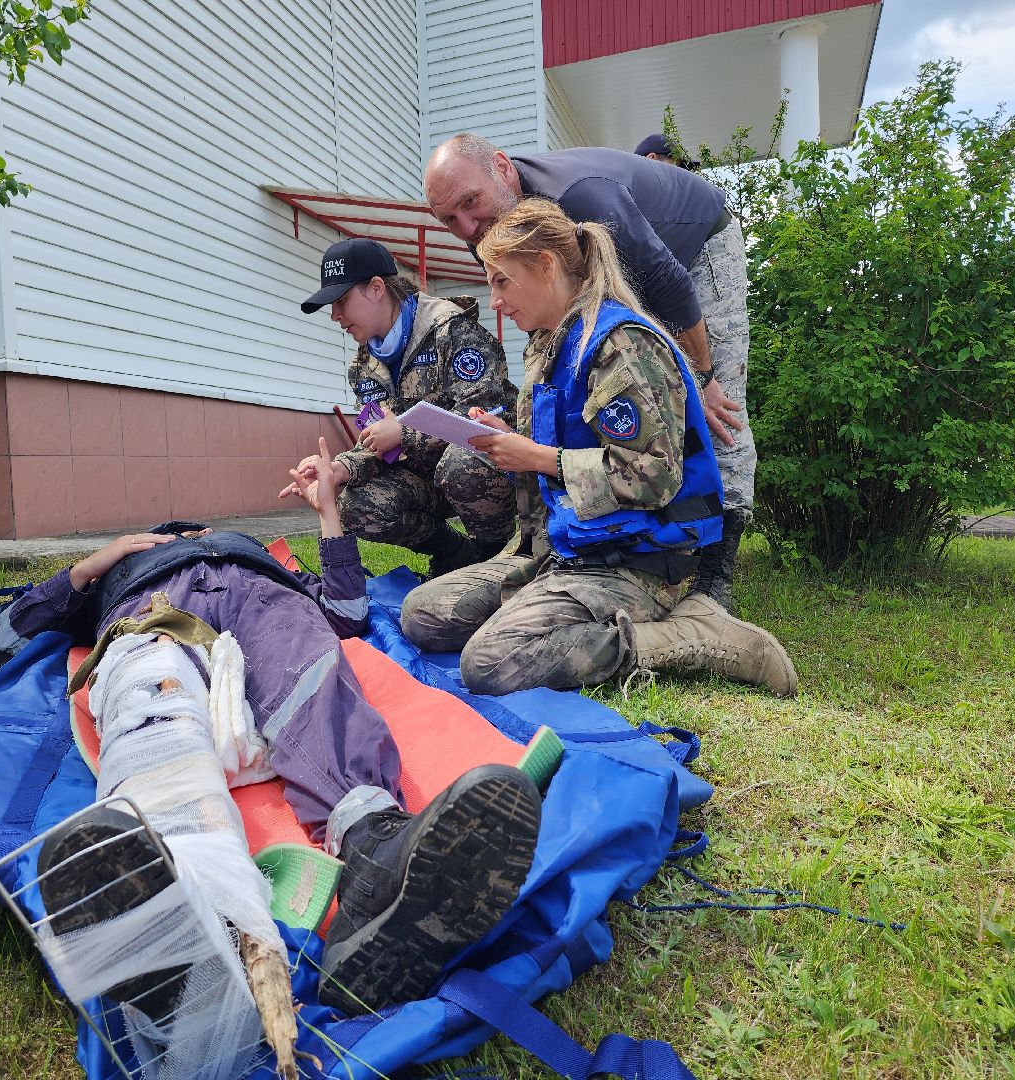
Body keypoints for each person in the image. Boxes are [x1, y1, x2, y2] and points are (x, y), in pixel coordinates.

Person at [0, 437, 540, 1019]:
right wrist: (96, 564)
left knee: (312, 674)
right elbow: (2, 641)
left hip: (264, 598)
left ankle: (375, 853)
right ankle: (170, 896)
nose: (189, 533)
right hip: (153, 604)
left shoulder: (256, 556)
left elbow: (347, 618)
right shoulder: (121, 567)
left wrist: (328, 513)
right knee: (151, 686)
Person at [399, 199, 795, 699]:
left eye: (502, 281)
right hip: (567, 548)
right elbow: (563, 443)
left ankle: (691, 632)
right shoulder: (552, 344)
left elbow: (652, 476)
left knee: (489, 663)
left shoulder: (620, 345)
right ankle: (543, 612)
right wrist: (498, 441)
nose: (494, 300)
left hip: (635, 560)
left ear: (546, 265)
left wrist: (536, 457)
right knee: (422, 616)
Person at [424, 133, 755, 610]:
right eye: (449, 220)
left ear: (501, 166)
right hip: (632, 267)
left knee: (719, 412)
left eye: (470, 203)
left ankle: (713, 576)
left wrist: (699, 375)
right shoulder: (497, 227)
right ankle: (589, 544)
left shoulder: (581, 195)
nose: (467, 226)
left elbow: (666, 278)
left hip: (694, 247)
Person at [284, 237, 517, 577]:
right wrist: (340, 469)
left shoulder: (452, 332)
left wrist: (405, 434)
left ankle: (496, 557)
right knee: (355, 503)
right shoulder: (363, 365)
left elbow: (485, 422)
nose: (335, 316)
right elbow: (376, 435)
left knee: (463, 462)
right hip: (424, 479)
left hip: (482, 469)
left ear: (376, 288)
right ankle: (456, 554)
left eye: (340, 301)